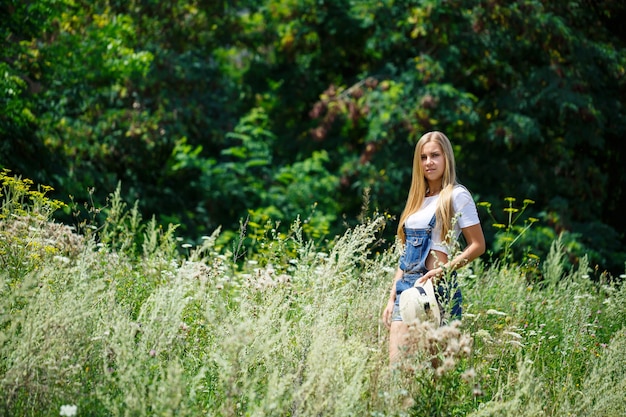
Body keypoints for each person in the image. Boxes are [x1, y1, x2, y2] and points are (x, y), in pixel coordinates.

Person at [382, 131, 485, 362]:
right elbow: (406, 254)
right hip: (407, 288)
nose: (429, 162)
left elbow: (478, 245)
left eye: (435, 155)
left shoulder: (457, 196)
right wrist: (392, 297)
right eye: (423, 157)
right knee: (398, 367)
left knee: (436, 370)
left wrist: (442, 270)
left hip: (437, 288)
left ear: (446, 157)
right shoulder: (417, 199)